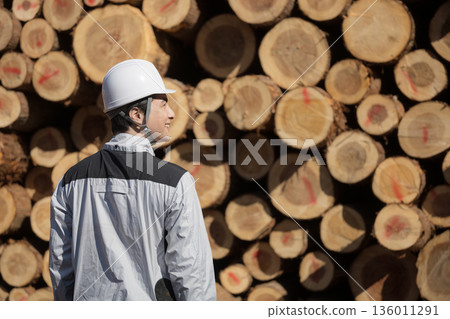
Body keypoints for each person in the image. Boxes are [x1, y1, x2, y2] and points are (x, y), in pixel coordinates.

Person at [49, 59, 216, 301]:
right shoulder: (175, 182)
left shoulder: (70, 180)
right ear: (136, 115)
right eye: (163, 105)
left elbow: (60, 266)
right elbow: (192, 275)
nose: (171, 114)